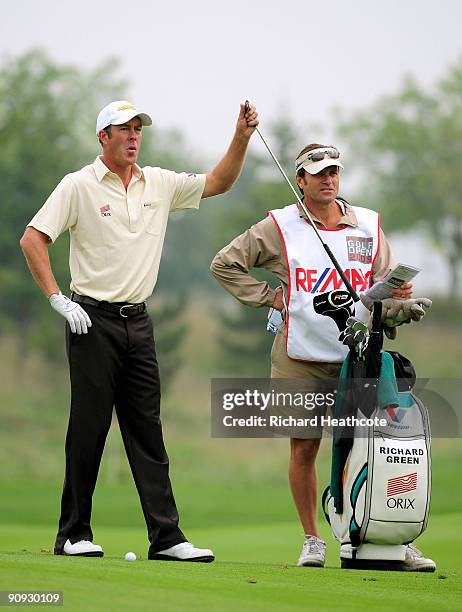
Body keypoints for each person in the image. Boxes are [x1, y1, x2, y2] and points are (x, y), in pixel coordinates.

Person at [20, 99, 259, 562]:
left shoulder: (160, 183)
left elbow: (219, 181)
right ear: (102, 138)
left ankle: (166, 538)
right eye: (122, 129)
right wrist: (56, 298)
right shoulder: (79, 186)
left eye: (137, 129)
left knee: (147, 430)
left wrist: (241, 137)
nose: (132, 136)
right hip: (90, 320)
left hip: (139, 322)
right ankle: (72, 534)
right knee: (88, 429)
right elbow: (34, 238)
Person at [210, 143, 436, 571]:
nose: (329, 178)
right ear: (301, 180)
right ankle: (312, 539)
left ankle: (381, 537)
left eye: (334, 171)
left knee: (372, 447)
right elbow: (225, 264)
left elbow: (384, 288)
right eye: (318, 173)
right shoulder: (278, 226)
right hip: (300, 355)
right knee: (304, 449)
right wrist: (270, 299)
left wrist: (401, 305)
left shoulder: (368, 223)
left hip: (359, 355)